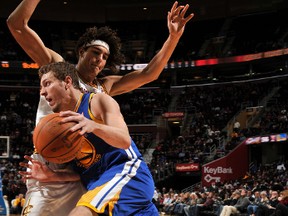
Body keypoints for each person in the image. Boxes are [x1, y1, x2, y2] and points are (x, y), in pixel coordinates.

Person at [7, 0, 194, 215]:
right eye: (96, 52)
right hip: (52, 161)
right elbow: (17, 25)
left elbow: (149, 73)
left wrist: (173, 38)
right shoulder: (57, 68)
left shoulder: (103, 88)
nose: (100, 60)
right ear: (81, 51)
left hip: (84, 169)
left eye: (105, 57)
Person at [20, 61, 159, 215]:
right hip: (98, 185)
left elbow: (124, 140)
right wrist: (53, 176)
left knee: (80, 212)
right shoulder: (60, 126)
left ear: (67, 82)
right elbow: (80, 173)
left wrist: (93, 125)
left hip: (126, 173)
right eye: (41, 87)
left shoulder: (97, 101)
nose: (42, 92)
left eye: (47, 84)